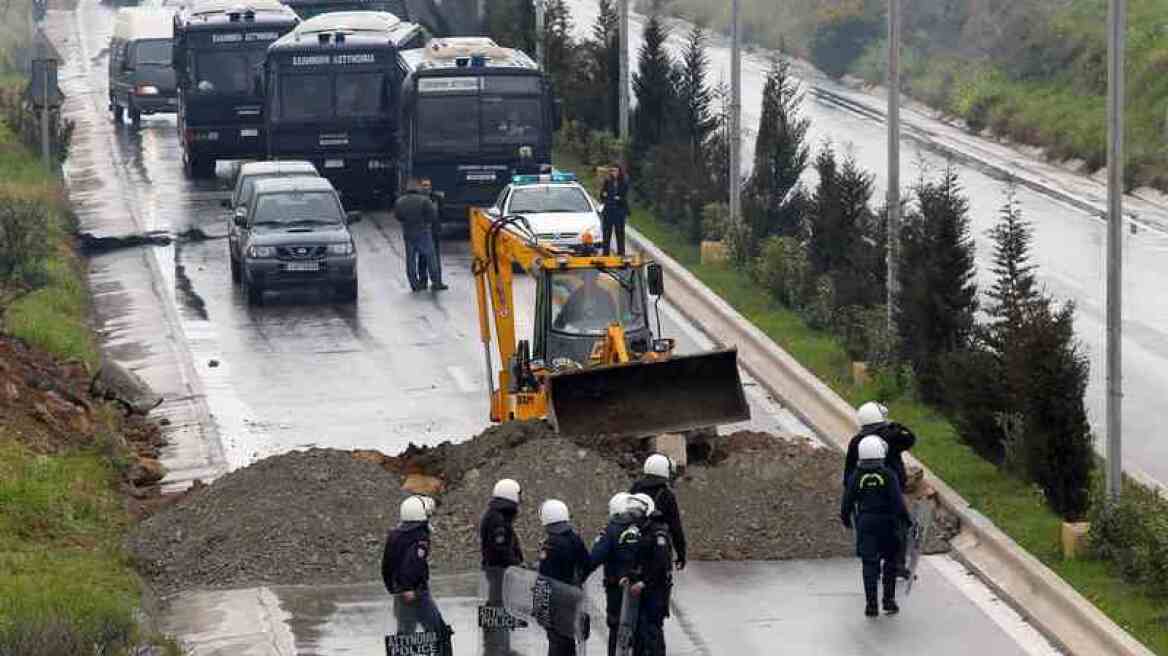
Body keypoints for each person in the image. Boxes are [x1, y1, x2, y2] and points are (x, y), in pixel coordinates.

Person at [840, 436, 912, 617]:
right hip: (888, 523)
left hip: (865, 523)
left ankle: (871, 605)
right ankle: (888, 601)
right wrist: (906, 521)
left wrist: (846, 519)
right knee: (890, 562)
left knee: (869, 564)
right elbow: (898, 501)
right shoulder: (888, 475)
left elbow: (847, 501)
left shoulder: (856, 476)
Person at [381, 496, 451, 640]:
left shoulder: (395, 535)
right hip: (416, 592)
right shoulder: (420, 536)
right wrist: (407, 588)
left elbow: (386, 565)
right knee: (438, 632)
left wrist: (393, 588)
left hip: (400, 591)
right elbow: (412, 563)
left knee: (405, 635)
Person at [586, 493, 640, 656]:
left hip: (616, 587)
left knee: (617, 629)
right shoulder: (644, 528)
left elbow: (596, 557)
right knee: (639, 629)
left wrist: (579, 575)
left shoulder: (611, 529)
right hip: (642, 586)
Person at [538, 499, 592, 656]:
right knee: (568, 641)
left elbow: (544, 578)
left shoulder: (550, 544)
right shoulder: (575, 539)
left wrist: (539, 607)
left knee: (557, 643)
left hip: (556, 603)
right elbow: (587, 565)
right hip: (573, 598)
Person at [623, 493, 672, 656]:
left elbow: (660, 565)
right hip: (645, 590)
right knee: (640, 631)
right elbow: (640, 559)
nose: (633, 516)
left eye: (636, 513)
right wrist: (630, 577)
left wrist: (644, 582)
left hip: (656, 591)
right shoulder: (643, 531)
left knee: (652, 631)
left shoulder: (658, 534)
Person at [480, 478, 524, 654]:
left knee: (497, 606)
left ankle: (495, 647)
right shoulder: (498, 519)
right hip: (500, 571)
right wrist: (516, 564)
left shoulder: (496, 515)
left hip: (497, 570)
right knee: (500, 608)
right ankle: (499, 649)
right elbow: (501, 550)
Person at [629, 454, 686, 572]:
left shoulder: (635, 488)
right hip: (658, 549)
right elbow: (675, 527)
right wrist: (681, 554)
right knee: (661, 582)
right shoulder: (667, 495)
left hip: (634, 545)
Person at [842, 402, 918, 491]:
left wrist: (850, 487)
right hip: (893, 484)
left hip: (864, 485)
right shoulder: (892, 435)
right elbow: (911, 438)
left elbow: (849, 468)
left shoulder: (855, 441)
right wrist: (895, 425)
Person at [394, 178, 447, 292]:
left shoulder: (400, 201)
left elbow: (398, 216)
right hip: (423, 231)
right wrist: (426, 222)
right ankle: (436, 282)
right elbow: (433, 215)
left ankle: (415, 284)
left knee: (411, 260)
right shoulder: (424, 200)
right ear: (417, 188)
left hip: (408, 232)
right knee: (431, 257)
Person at [553, 270, 618, 332]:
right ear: (584, 279)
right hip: (580, 333)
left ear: (595, 279)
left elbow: (613, 319)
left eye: (592, 278)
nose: (589, 281)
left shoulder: (605, 295)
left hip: (600, 333)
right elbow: (564, 315)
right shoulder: (575, 296)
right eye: (587, 278)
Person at [415, 178, 443, 286]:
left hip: (434, 231)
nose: (426, 187)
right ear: (420, 187)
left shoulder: (436, 198)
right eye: (424, 185)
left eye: (427, 185)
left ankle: (437, 281)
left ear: (431, 186)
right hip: (422, 232)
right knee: (422, 257)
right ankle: (423, 281)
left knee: (435, 257)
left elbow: (441, 213)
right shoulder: (418, 199)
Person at [599, 165, 630, 256]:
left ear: (619, 172)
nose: (614, 173)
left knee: (620, 233)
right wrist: (606, 196)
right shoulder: (608, 181)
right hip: (608, 210)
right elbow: (603, 193)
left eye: (616, 171)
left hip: (619, 211)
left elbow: (623, 196)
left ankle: (621, 254)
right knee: (606, 233)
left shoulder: (624, 182)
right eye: (612, 171)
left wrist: (616, 198)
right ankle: (605, 254)